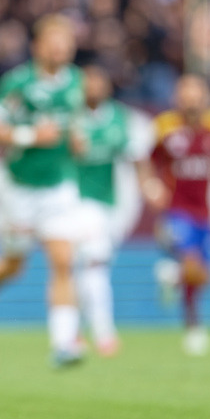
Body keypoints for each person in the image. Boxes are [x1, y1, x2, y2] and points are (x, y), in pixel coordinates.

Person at [0, 14, 85, 367]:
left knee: (63, 261)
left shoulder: (76, 82)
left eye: (66, 42)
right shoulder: (18, 83)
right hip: (19, 188)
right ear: (38, 46)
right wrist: (31, 136)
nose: (61, 48)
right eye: (55, 41)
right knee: (13, 265)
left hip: (59, 187)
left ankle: (64, 342)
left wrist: (75, 140)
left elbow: (72, 124)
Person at [137, 74, 210, 356]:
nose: (191, 99)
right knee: (192, 265)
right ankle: (194, 326)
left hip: (205, 212)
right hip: (177, 211)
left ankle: (172, 277)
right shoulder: (165, 126)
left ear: (205, 97)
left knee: (204, 277)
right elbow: (145, 163)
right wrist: (150, 187)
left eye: (196, 93)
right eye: (186, 93)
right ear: (177, 97)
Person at [70, 64, 130, 357]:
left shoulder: (118, 116)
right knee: (96, 263)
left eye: (99, 82)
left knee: (90, 266)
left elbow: (128, 151)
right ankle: (105, 333)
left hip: (109, 202)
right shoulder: (70, 118)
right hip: (79, 200)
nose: (94, 88)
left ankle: (76, 330)